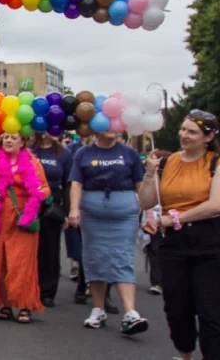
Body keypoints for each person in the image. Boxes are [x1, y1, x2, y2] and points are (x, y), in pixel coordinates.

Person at [139, 109, 219, 359]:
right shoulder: (168, 161)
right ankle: (184, 354)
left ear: (208, 138)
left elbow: (216, 205)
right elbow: (146, 202)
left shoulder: (215, 162)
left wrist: (175, 218)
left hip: (209, 243)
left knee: (209, 310)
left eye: (191, 131)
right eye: (183, 129)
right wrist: (150, 173)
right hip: (173, 245)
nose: (184, 135)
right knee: (177, 307)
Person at [69, 130, 149, 334]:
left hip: (124, 213)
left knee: (122, 256)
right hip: (93, 213)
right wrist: (74, 209)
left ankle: (130, 313)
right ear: (96, 128)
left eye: (115, 125)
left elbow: (141, 184)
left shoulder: (129, 153)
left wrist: (149, 212)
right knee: (95, 257)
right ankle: (98, 309)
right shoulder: (83, 153)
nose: (112, 130)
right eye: (107, 125)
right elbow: (76, 183)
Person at [0, 131, 49, 324]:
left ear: (23, 141)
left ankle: (24, 305)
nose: (8, 140)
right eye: (5, 137)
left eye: (13, 137)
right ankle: (5, 304)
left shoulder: (33, 163)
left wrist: (40, 193)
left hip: (22, 219)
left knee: (22, 262)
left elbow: (46, 188)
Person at [32, 132, 73, 307]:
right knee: (29, 247)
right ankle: (29, 287)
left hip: (52, 202)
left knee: (50, 248)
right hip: (30, 198)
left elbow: (68, 183)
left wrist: (67, 211)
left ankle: (47, 291)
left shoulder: (64, 153)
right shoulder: (29, 150)